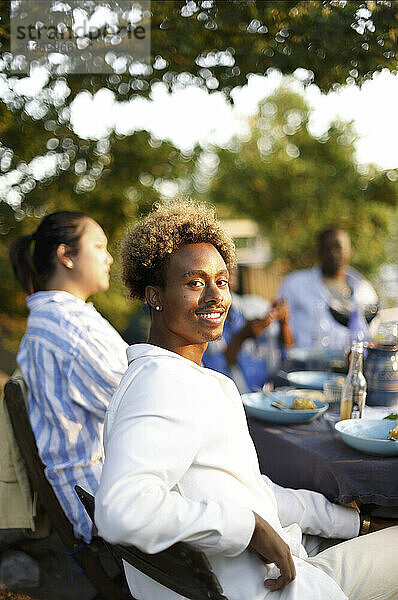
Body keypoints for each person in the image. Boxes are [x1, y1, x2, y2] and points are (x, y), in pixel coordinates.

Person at [95, 201, 397, 600]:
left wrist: (352, 524)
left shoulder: (182, 378)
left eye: (221, 281)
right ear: (155, 296)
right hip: (275, 590)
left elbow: (255, 492)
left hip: (269, 569)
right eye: (193, 282)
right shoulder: (162, 383)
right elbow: (121, 510)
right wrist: (248, 527)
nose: (214, 296)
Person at [9, 211, 128, 542]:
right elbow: (138, 402)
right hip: (100, 499)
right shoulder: (70, 328)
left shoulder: (52, 320)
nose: (108, 257)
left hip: (85, 493)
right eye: (99, 246)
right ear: (66, 256)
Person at [278, 227, 378, 350]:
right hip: (305, 366)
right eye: (326, 248)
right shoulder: (295, 284)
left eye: (338, 247)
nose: (333, 253)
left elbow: (373, 336)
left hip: (351, 366)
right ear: (318, 252)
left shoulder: (365, 291)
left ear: (349, 249)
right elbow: (275, 329)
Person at [203, 269, 294, 392]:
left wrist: (284, 322)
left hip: (269, 393)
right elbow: (216, 370)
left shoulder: (253, 307)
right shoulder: (205, 322)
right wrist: (241, 337)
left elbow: (287, 349)